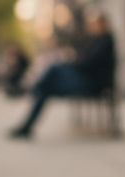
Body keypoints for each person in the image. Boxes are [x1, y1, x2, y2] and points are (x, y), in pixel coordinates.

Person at [8, 10, 116, 139]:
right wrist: (74, 59)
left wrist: (73, 60)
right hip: (85, 80)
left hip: (93, 84)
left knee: (54, 69)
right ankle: (26, 126)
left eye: (95, 24)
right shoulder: (96, 40)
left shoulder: (105, 41)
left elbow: (87, 63)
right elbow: (84, 60)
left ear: (103, 24)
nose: (92, 27)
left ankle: (31, 89)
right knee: (44, 90)